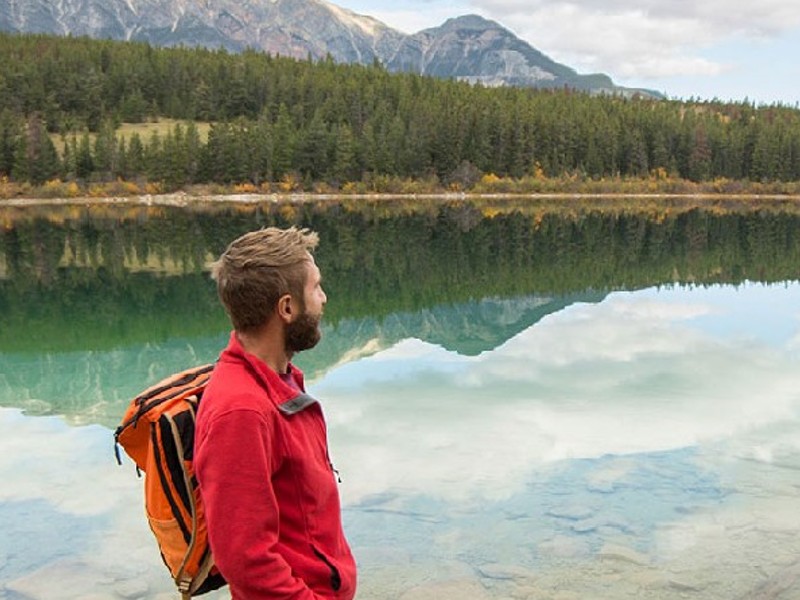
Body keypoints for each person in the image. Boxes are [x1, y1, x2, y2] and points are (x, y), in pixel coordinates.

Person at [194, 226, 357, 599]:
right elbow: (246, 561)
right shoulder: (241, 412)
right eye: (315, 288)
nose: (324, 298)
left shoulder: (276, 382)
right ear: (286, 308)